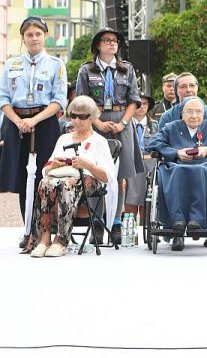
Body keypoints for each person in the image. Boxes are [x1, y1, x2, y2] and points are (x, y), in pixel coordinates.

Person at [0, 16, 67, 250]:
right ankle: (28, 230)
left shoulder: (56, 65)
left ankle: (45, 231)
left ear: (44, 36)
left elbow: (59, 101)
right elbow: (4, 98)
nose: (34, 38)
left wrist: (34, 120)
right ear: (23, 38)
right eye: (29, 34)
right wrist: (19, 121)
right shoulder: (11, 64)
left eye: (38, 34)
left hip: (45, 122)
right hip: (17, 124)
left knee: (43, 177)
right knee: (22, 179)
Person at [25, 96, 117, 257]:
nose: (77, 120)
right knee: (44, 182)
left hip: (87, 178)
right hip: (60, 177)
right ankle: (44, 238)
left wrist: (87, 165)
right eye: (73, 116)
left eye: (82, 116)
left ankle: (61, 240)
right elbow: (46, 169)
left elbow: (107, 176)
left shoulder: (99, 141)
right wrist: (54, 165)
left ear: (92, 118)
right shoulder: (64, 139)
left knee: (67, 184)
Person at [76, 27, 144, 245]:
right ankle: (97, 223)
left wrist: (123, 122)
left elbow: (134, 100)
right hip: (94, 120)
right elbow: (81, 101)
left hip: (121, 119)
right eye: (106, 40)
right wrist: (96, 122)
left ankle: (115, 222)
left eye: (114, 41)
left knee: (120, 177)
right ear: (98, 45)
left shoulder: (127, 69)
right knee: (96, 174)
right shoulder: (87, 70)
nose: (111, 44)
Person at [147, 97, 207, 251]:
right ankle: (178, 222)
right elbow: (153, 143)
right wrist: (175, 152)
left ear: (204, 114)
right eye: (189, 111)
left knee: (201, 170)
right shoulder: (171, 127)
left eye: (198, 111)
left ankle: (197, 219)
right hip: (176, 165)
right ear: (182, 114)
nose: (194, 115)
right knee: (176, 171)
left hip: (205, 166)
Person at [124, 93, 159, 219]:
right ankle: (130, 235)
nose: (141, 107)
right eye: (138, 103)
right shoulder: (124, 124)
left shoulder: (155, 126)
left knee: (147, 203)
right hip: (131, 166)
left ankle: (146, 235)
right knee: (129, 204)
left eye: (144, 104)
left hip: (149, 166)